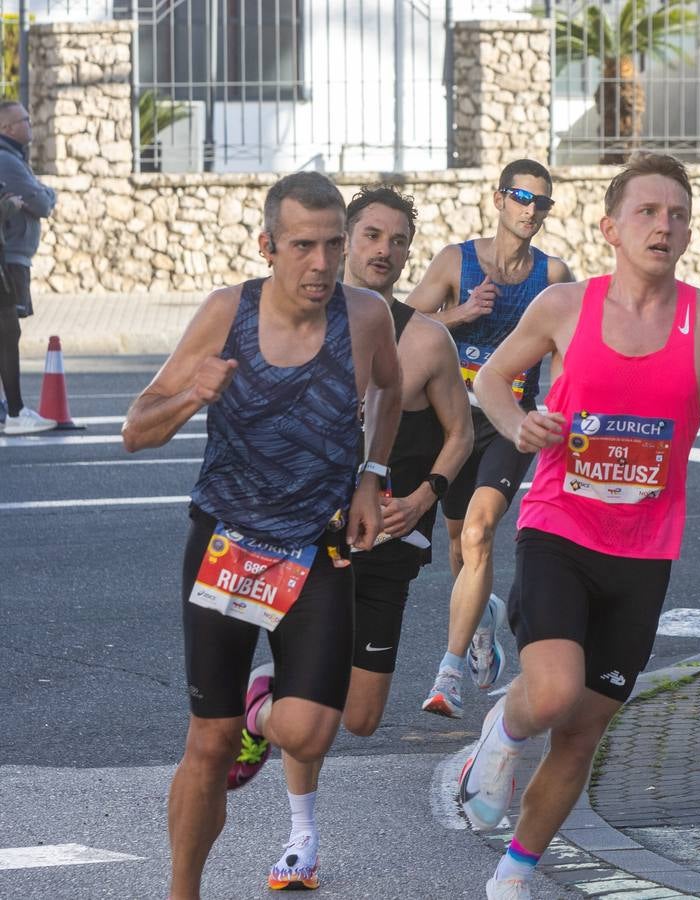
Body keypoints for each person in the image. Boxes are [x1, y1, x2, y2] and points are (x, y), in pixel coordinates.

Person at [457, 151, 700, 900]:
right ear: (610, 227)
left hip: (644, 550)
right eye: (648, 212)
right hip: (560, 525)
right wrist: (520, 425)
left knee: (583, 729)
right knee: (556, 692)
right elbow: (494, 378)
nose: (664, 225)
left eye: (678, 214)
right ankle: (500, 735)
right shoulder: (565, 306)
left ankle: (516, 868)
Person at [121, 171, 403, 900]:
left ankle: (263, 708)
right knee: (208, 744)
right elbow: (134, 431)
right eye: (303, 246)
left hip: (315, 546)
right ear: (268, 246)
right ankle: (183, 891)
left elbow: (393, 387)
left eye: (332, 245)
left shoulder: (366, 315)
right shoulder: (227, 314)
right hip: (228, 545)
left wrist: (371, 474)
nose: (320, 263)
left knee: (309, 732)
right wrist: (191, 394)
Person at [267, 186, 473, 890]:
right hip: (307, 541)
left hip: (386, 546)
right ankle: (302, 837)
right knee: (312, 707)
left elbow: (462, 433)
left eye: (398, 239)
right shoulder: (298, 323)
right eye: (372, 235)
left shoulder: (425, 338)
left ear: (409, 250)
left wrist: (425, 496)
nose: (384, 249)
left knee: (357, 719)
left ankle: (260, 704)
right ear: (346, 241)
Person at [406, 159, 574, 719]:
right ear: (499, 199)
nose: (532, 209)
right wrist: (460, 314)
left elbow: (569, 353)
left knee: (478, 534)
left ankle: (447, 677)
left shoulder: (552, 277)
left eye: (542, 202)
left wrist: (561, 414)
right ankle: (481, 626)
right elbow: (401, 324)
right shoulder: (457, 260)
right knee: (458, 544)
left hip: (510, 422)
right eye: (523, 197)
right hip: (452, 421)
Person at [0, 100, 57, 434]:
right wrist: (12, 205)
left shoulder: (11, 159)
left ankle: (13, 410)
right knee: (8, 334)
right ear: (8, 128)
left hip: (9, 258)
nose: (30, 124)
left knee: (7, 333)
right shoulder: (6, 160)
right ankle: (17, 413)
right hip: (7, 261)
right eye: (24, 120)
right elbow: (41, 202)